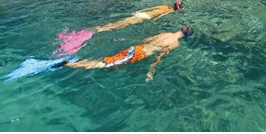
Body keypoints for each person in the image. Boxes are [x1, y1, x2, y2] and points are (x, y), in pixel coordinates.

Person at [56, 0, 186, 56]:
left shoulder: (165, 6)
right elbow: (158, 17)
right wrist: (151, 24)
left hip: (142, 13)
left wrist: (138, 11)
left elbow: (151, 8)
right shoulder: (170, 11)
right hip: (144, 18)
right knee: (117, 27)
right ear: (178, 9)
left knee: (119, 24)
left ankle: (97, 28)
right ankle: (95, 30)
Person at [66, 26, 194, 82]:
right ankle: (69, 64)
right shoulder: (175, 44)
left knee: (111, 64)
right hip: (138, 55)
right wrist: (151, 71)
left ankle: (77, 63)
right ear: (186, 36)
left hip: (135, 48)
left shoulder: (165, 33)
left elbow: (146, 40)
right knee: (105, 65)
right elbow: (160, 57)